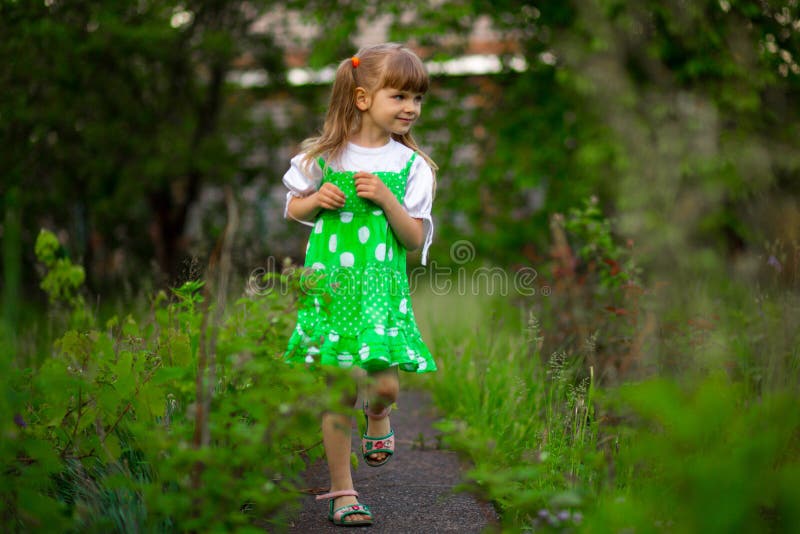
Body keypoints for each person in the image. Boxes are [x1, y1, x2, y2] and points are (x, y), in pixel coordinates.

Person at [281, 42, 438, 526]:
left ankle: (379, 415)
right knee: (337, 391)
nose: (411, 108)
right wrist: (314, 202)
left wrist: (388, 201)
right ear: (364, 97)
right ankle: (343, 492)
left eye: (417, 99)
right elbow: (291, 206)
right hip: (332, 289)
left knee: (385, 386)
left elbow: (412, 239)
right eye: (400, 97)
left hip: (379, 296)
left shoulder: (413, 167)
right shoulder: (323, 156)